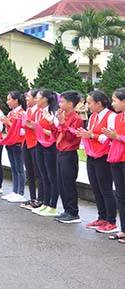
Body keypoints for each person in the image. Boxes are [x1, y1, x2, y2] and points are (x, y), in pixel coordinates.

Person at [77, 90, 117, 234]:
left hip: (104, 155)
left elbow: (110, 137)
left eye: (89, 103)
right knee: (96, 187)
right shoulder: (93, 116)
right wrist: (85, 134)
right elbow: (90, 133)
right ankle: (102, 216)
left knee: (105, 188)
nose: (87, 106)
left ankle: (111, 220)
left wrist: (91, 135)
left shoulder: (111, 116)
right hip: (92, 154)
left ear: (99, 103)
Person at [54, 91, 84, 224]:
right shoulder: (64, 115)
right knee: (61, 182)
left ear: (70, 104)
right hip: (60, 151)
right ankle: (67, 209)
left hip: (69, 152)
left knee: (68, 183)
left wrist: (63, 122)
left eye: (62, 101)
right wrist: (60, 121)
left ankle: (73, 212)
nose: (60, 104)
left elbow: (73, 136)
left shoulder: (76, 118)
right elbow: (59, 132)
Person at [31, 90, 59, 217]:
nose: (36, 100)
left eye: (38, 97)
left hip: (50, 146)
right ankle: (45, 203)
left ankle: (52, 205)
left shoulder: (54, 112)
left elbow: (56, 132)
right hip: (40, 144)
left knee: (51, 176)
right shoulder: (39, 112)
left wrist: (40, 129)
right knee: (43, 175)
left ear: (45, 99)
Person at [103, 88, 125, 242]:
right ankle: (123, 229)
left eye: (115, 100)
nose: (113, 103)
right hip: (116, 159)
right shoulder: (117, 118)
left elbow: (119, 137)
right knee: (121, 195)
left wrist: (116, 136)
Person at [0, 91, 27, 203]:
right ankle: (14, 191)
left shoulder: (22, 113)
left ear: (16, 100)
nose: (7, 102)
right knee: (14, 168)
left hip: (18, 143)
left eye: (9, 99)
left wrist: (9, 123)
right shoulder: (11, 113)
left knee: (19, 168)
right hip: (10, 142)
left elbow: (22, 131)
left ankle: (20, 192)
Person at [20, 89, 44, 211]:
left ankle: (40, 199)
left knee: (38, 172)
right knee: (29, 172)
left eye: (28, 97)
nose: (26, 99)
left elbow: (39, 128)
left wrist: (30, 125)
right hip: (26, 142)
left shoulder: (39, 112)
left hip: (35, 143)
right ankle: (32, 197)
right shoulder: (28, 111)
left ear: (35, 99)